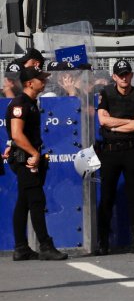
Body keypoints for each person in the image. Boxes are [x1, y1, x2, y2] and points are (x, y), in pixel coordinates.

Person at [7, 67, 68, 261]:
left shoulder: (32, 103)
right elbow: (17, 134)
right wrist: (34, 153)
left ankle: (21, 247)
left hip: (28, 156)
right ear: (29, 83)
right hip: (24, 158)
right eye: (40, 78)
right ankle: (45, 245)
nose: (44, 81)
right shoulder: (20, 103)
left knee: (24, 202)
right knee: (36, 200)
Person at [95, 59, 134, 255]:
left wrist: (114, 124)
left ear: (132, 75)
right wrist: (128, 122)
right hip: (110, 151)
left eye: (126, 73)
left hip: (132, 150)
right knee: (107, 197)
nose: (124, 77)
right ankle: (103, 241)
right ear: (114, 77)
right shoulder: (106, 93)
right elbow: (102, 121)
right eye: (120, 74)